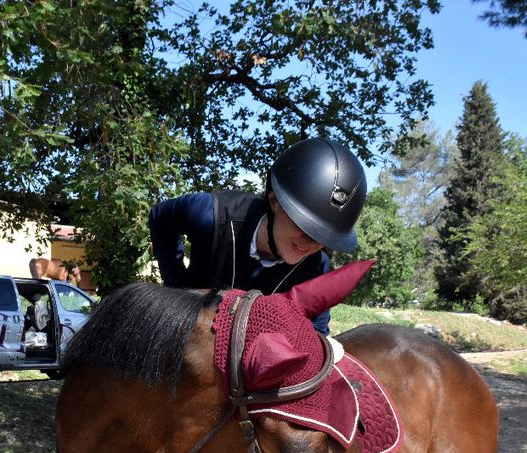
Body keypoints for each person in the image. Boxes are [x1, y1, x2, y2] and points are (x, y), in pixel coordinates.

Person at [148, 138, 366, 334]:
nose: (311, 243)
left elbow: (317, 330)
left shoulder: (317, 267)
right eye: (304, 225)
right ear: (274, 201)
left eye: (323, 237)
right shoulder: (208, 214)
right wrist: (177, 288)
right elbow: (159, 217)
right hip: (193, 334)